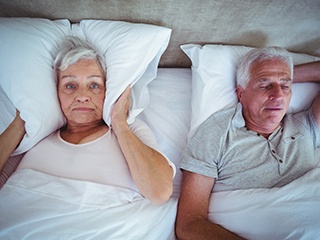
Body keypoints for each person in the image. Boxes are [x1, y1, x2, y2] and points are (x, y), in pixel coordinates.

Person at [0, 36, 175, 205]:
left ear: (108, 90)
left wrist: (119, 122)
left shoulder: (131, 130)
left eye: (94, 85)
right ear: (56, 92)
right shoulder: (37, 136)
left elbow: (159, 192)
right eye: (70, 86)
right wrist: (22, 121)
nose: (82, 96)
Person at [175, 47, 320, 239]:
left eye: (285, 86)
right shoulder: (217, 134)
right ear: (241, 94)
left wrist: (285, 76)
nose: (278, 95)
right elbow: (188, 224)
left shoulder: (306, 124)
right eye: (264, 85)